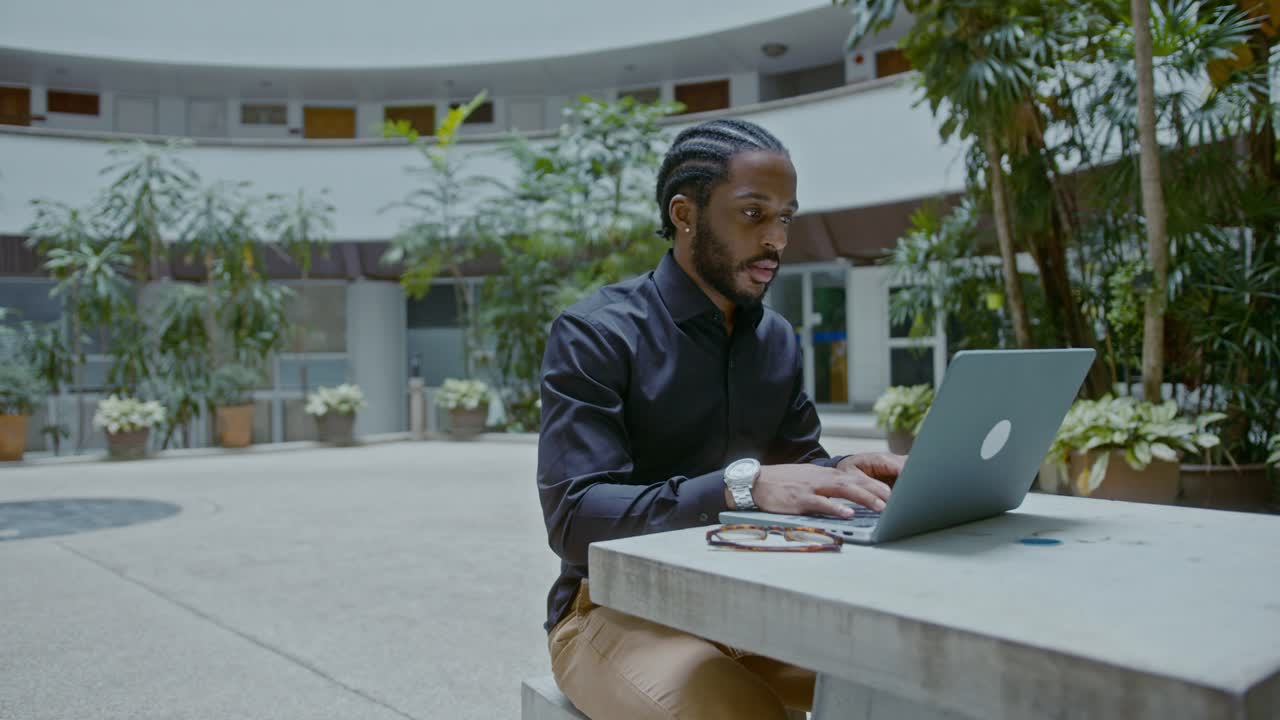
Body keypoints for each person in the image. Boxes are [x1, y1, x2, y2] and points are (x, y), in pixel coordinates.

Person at [537, 118, 904, 720]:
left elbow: (796, 467)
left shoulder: (777, 340)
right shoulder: (597, 333)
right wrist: (743, 487)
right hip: (612, 611)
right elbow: (574, 517)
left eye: (786, 217)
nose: (777, 241)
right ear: (686, 214)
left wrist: (843, 471)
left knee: (920, 686)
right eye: (754, 214)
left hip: (753, 606)